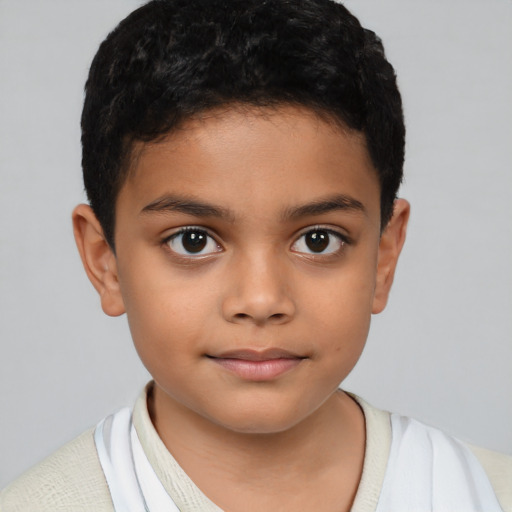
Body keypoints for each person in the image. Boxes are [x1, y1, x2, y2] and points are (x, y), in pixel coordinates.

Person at [1, 0, 510, 510]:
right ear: (104, 261)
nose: (261, 299)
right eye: (193, 241)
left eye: (318, 240)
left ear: (383, 255)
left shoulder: (487, 493)